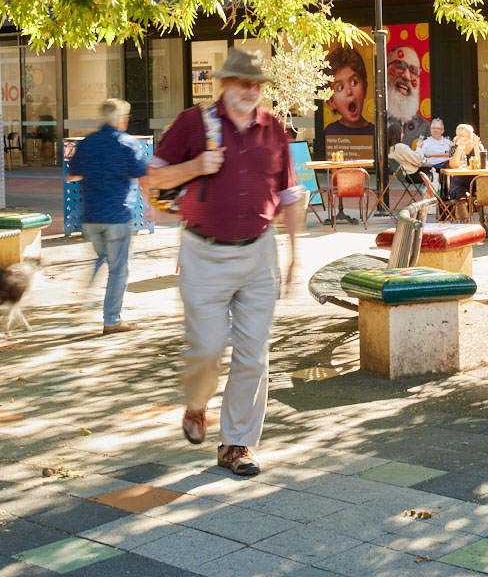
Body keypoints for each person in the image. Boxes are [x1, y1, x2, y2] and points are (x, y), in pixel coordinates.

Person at [146, 49, 300, 478]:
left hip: (259, 253)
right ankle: (197, 402)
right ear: (224, 84)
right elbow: (154, 178)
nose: (250, 91)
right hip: (204, 253)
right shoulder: (193, 124)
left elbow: (288, 193)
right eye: (242, 82)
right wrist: (196, 165)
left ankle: (237, 444)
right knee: (208, 348)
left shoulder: (272, 129)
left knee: (253, 356)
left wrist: (294, 253)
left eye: (256, 84)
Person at [66, 99, 148, 335]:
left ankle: (86, 297)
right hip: (117, 217)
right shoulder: (127, 143)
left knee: (103, 256)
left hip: (91, 217)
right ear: (121, 119)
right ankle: (112, 319)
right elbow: (141, 176)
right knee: (119, 269)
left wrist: (95, 172)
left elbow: (72, 176)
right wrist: (150, 207)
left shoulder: (88, 143)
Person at [324, 47, 376, 137]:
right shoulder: (330, 132)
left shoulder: (375, 133)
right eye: (340, 88)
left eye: (354, 82)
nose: (349, 91)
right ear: (331, 101)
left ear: (365, 86)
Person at [386, 44, 430, 142]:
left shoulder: (426, 130)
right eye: (399, 67)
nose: (406, 76)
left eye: (413, 71)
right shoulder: (369, 124)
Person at [446, 123, 486, 202]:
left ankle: (485, 214)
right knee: (461, 199)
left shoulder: (478, 146)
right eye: (467, 137)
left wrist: (475, 146)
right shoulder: (454, 148)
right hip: (460, 183)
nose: (470, 139)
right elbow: (453, 165)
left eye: (471, 136)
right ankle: (464, 215)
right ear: (459, 138)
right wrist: (460, 148)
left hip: (477, 182)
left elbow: (482, 164)